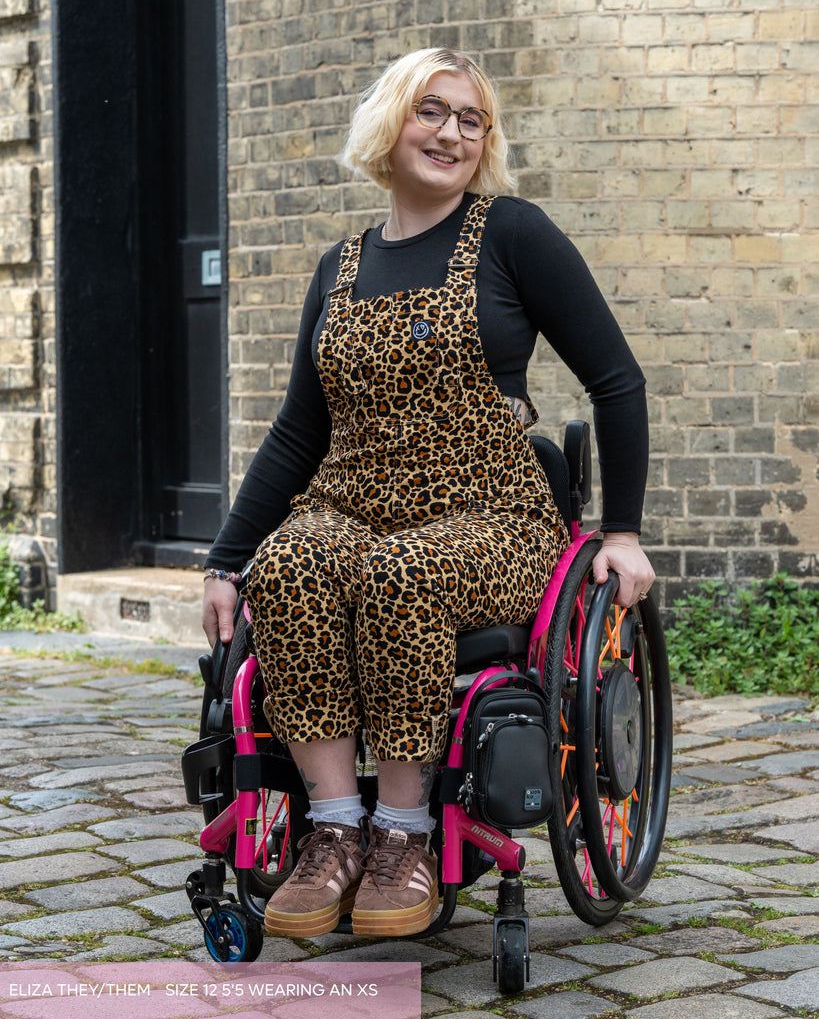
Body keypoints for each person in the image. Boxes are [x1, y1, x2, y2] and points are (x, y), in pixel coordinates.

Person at [202, 47, 654, 940]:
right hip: (353, 499)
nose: (452, 132)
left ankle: (404, 833)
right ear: (390, 123)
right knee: (288, 565)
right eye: (432, 111)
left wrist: (625, 530)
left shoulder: (510, 234)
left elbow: (617, 380)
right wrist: (225, 559)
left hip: (490, 511)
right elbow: (300, 430)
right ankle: (334, 830)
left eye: (472, 120)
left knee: (402, 571)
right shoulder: (339, 266)